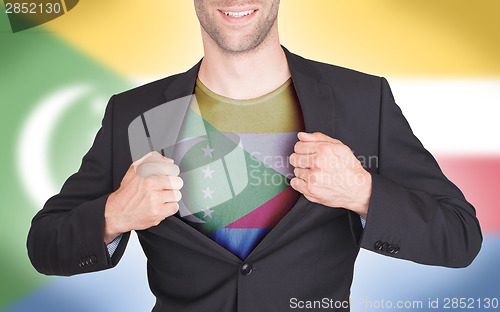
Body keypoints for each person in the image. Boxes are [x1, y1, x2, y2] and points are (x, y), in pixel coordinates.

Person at [27, 1, 482, 311]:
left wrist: (363, 192)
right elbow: (45, 245)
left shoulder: (362, 100)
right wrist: (114, 214)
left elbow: (460, 237)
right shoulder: (135, 113)